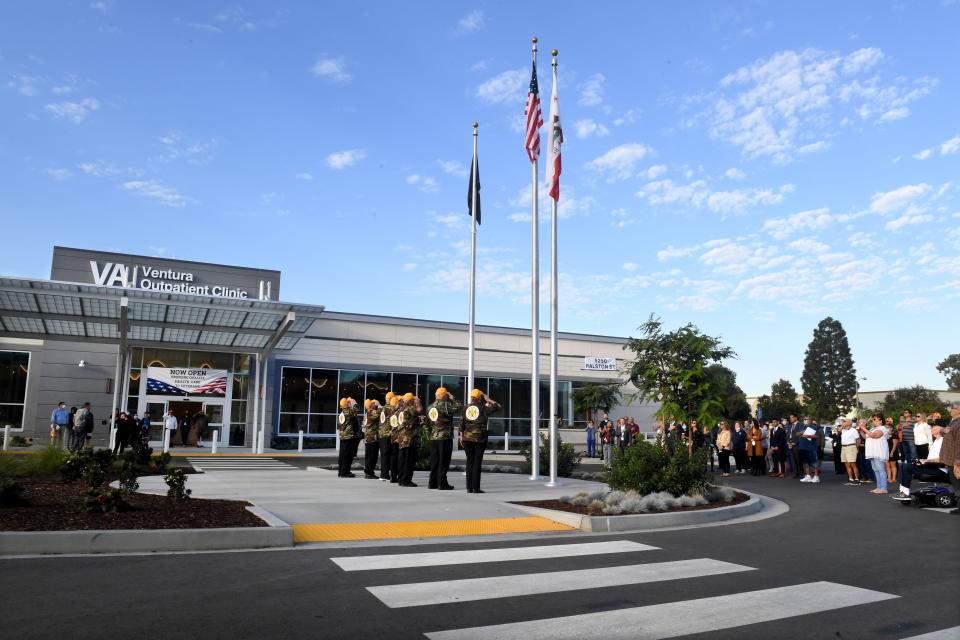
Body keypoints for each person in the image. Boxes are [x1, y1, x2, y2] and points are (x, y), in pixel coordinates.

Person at [459, 389, 500, 493]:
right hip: (479, 439)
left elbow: (461, 424)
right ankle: (476, 488)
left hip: (467, 439)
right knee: (477, 463)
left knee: (469, 462)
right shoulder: (483, 408)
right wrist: (488, 399)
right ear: (479, 398)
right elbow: (497, 406)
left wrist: (461, 437)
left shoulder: (465, 408)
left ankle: (469, 487)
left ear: (471, 397)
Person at [890, 425, 947, 501]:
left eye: (934, 428)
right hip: (931, 465)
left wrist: (926, 461)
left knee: (907, 467)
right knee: (903, 465)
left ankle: (906, 494)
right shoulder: (936, 440)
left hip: (939, 468)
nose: (932, 428)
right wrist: (923, 461)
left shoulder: (944, 441)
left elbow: (943, 458)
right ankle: (902, 491)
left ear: (940, 431)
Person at [426, 387, 460, 490]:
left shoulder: (430, 407)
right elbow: (459, 407)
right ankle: (442, 483)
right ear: (444, 396)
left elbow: (427, 424)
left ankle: (432, 483)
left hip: (433, 437)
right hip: (444, 437)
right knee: (443, 461)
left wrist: (431, 433)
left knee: (435, 461)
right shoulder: (446, 405)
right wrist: (452, 397)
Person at [396, 392, 422, 487]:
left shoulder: (400, 409)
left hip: (402, 438)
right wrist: (418, 402)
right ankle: (406, 480)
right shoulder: (409, 408)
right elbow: (419, 410)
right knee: (409, 460)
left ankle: (401, 479)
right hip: (410, 439)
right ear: (411, 401)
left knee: (402, 459)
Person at [939, 400, 960, 514]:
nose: (950, 410)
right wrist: (943, 430)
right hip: (951, 460)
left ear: (958, 410)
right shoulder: (954, 422)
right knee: (955, 483)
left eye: (952, 408)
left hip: (955, 460)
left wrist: (958, 462)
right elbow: (943, 431)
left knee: (957, 484)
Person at [860, 414, 890, 494]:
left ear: (880, 420)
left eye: (874, 419)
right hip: (872, 452)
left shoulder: (882, 428)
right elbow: (865, 437)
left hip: (878, 452)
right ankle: (879, 487)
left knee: (881, 470)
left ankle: (884, 488)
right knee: (876, 470)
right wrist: (861, 430)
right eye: (873, 419)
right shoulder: (873, 428)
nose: (873, 420)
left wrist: (863, 428)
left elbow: (873, 435)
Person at [337, 398, 362, 478]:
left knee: (342, 455)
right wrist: (354, 403)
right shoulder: (347, 412)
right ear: (346, 404)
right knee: (347, 455)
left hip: (343, 437)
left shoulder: (342, 413)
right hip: (348, 437)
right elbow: (357, 410)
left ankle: (341, 471)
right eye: (348, 403)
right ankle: (345, 472)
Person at [377, 392, 396, 481]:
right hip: (387, 434)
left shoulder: (384, 408)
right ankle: (384, 475)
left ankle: (383, 474)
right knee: (387, 454)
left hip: (382, 434)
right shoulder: (390, 408)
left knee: (384, 455)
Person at [362, 399, 382, 480]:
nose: (375, 405)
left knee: (370, 456)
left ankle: (369, 472)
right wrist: (379, 404)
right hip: (372, 439)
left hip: (369, 438)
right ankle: (369, 473)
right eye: (373, 404)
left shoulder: (368, 413)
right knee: (372, 457)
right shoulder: (371, 412)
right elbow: (380, 412)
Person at [798, 417, 821, 483]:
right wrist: (800, 433)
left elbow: (816, 436)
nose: (805, 421)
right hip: (803, 447)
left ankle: (816, 477)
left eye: (807, 419)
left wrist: (807, 436)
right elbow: (798, 434)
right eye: (804, 419)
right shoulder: (803, 427)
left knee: (814, 462)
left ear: (811, 420)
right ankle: (808, 476)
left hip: (811, 448)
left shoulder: (813, 427)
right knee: (805, 462)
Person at [838, 419, 861, 484]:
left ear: (849, 423)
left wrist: (856, 448)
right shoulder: (843, 430)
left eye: (845, 421)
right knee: (847, 464)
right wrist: (842, 426)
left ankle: (856, 479)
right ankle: (850, 478)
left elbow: (858, 440)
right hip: (844, 447)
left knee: (853, 464)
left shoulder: (853, 430)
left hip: (851, 447)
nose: (843, 422)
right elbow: (839, 431)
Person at [886, 416, 900, 485]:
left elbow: (895, 445)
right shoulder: (884, 436)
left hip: (892, 452)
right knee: (887, 466)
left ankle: (894, 478)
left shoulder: (894, 435)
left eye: (888, 428)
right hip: (886, 452)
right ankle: (889, 477)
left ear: (891, 428)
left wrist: (891, 452)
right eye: (886, 428)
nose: (887, 429)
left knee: (893, 466)